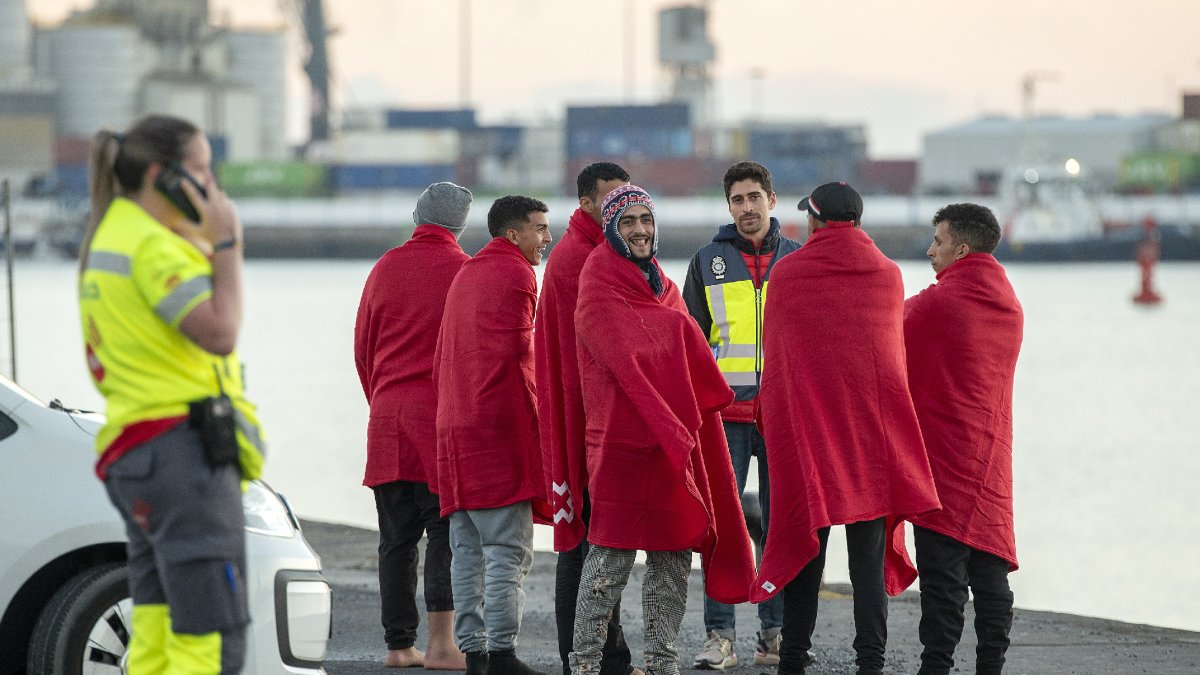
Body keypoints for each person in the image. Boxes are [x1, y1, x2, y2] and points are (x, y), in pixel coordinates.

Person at [78, 114, 265, 672]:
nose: (213, 187)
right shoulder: (152, 248)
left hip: (136, 453)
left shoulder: (113, 234)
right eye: (203, 171)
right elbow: (218, 331)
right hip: (181, 456)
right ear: (162, 176)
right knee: (210, 639)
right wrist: (227, 242)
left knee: (157, 632)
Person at [751, 181, 941, 675]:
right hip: (872, 443)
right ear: (856, 221)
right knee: (867, 563)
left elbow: (778, 365)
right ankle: (870, 664)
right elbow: (888, 362)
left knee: (805, 552)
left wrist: (768, 422)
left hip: (810, 438)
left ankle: (792, 659)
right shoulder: (888, 275)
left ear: (815, 221)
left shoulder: (787, 274)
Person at [569, 185, 755, 675]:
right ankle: (584, 665)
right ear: (611, 229)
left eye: (645, 221)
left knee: (672, 559)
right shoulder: (598, 283)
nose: (640, 230)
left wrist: (680, 337)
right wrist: (681, 335)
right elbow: (629, 349)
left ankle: (661, 663)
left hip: (672, 444)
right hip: (621, 445)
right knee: (607, 563)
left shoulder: (664, 288)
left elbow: (676, 342)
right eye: (627, 221)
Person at [681, 161, 799, 669]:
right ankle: (720, 636)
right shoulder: (708, 261)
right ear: (728, 206)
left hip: (783, 418)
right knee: (723, 529)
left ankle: (773, 636)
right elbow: (686, 341)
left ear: (773, 200)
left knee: (779, 527)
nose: (747, 208)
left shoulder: (798, 261)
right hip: (724, 418)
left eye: (755, 197)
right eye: (737, 200)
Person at [433, 195, 555, 675]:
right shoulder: (519, 274)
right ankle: (503, 653)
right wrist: (544, 421)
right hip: (495, 430)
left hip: (454, 431)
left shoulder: (468, 272)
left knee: (465, 553)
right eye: (540, 229)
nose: (547, 238)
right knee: (507, 551)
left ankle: (474, 652)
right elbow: (520, 358)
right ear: (513, 235)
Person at [354, 182, 474, 669]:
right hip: (439, 421)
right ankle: (443, 646)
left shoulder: (384, 266)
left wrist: (381, 399)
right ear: (459, 226)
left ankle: (399, 646)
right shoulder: (466, 272)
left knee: (396, 539)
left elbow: (363, 348)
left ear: (418, 216)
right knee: (445, 532)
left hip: (387, 418)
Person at [905, 203, 1024, 675]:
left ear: (963, 248)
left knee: (942, 581)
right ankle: (990, 667)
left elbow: (884, 329)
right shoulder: (1009, 304)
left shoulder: (941, 302)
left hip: (943, 460)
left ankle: (935, 666)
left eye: (938, 240)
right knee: (990, 572)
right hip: (991, 457)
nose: (931, 250)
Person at [535, 162, 640, 675]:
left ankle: (591, 656)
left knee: (586, 543)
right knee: (592, 546)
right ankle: (599, 659)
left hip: (581, 418)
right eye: (612, 198)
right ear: (586, 204)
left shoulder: (579, 253)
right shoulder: (584, 258)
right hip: (589, 422)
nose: (623, 207)